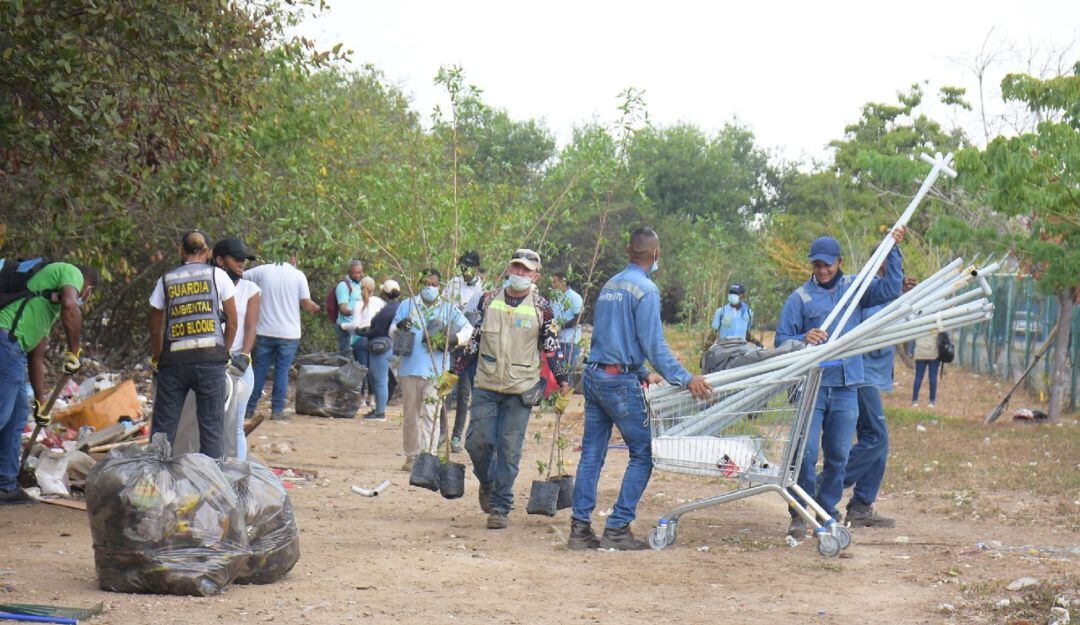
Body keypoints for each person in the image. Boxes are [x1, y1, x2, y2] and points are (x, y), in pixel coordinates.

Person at [569, 228, 712, 550]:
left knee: (592, 454)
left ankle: (579, 529)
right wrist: (686, 378)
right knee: (644, 453)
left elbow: (611, 337)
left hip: (593, 376)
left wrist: (644, 373)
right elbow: (654, 345)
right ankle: (618, 527)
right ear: (656, 254)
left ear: (628, 250)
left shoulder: (610, 285)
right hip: (618, 384)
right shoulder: (645, 290)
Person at [775, 230, 905, 538]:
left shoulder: (855, 289)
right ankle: (800, 513)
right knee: (806, 454)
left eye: (827, 265)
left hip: (847, 386)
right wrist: (803, 338)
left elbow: (891, 289)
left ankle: (826, 512)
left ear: (839, 262)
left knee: (838, 456)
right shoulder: (800, 298)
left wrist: (892, 250)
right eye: (817, 265)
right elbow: (781, 341)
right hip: (812, 388)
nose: (822, 270)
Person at [451, 249, 571, 530]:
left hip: (521, 388)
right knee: (476, 443)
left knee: (509, 449)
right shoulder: (488, 299)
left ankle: (500, 506)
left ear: (535, 276)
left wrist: (563, 381)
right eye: (516, 268)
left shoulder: (542, 307)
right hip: (487, 383)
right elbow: (475, 339)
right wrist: (454, 372)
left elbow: (552, 347)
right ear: (509, 269)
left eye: (526, 270)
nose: (520, 273)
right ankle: (489, 482)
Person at [0, 259, 96, 504]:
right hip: (4, 341)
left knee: (17, 417)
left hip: (14, 350)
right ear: (88, 289)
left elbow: (37, 356)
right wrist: (74, 351)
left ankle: (5, 485)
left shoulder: (44, 310)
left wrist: (40, 403)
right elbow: (70, 305)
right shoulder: (70, 271)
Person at [149, 231, 238, 459]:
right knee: (211, 428)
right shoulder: (218, 276)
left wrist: (158, 358)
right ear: (208, 252)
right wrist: (225, 352)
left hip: (174, 364)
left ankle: (154, 475)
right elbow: (232, 322)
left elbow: (155, 327)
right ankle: (210, 477)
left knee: (163, 430)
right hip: (210, 361)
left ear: (181, 250)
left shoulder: (166, 279)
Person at [842, 272, 915, 529]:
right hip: (859, 373)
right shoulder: (866, 291)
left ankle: (861, 506)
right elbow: (873, 331)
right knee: (877, 437)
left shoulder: (888, 295)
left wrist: (904, 298)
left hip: (871, 376)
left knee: (878, 441)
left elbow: (903, 330)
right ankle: (825, 486)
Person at [391, 269, 471, 471]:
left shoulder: (447, 307)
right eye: (426, 284)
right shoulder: (408, 305)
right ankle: (412, 456)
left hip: (437, 371)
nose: (430, 287)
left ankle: (428, 457)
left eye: (434, 284)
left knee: (432, 414)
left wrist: (455, 339)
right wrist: (399, 326)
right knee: (411, 415)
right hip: (410, 369)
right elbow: (391, 330)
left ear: (440, 286)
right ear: (419, 284)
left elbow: (468, 329)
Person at [243, 251, 321, 421]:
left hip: (264, 331)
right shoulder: (298, 275)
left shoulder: (261, 271)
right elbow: (306, 303)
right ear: (293, 258)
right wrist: (317, 308)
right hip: (289, 333)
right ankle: (277, 410)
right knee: (282, 371)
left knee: (259, 370)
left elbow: (240, 275)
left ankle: (249, 408)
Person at [214, 238, 260, 459]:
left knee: (235, 425)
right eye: (237, 259)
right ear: (220, 260)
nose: (242, 263)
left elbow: (251, 326)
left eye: (244, 260)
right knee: (211, 422)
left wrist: (244, 355)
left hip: (238, 363)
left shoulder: (250, 289)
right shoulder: (210, 286)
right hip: (212, 358)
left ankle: (237, 472)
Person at [444, 252, 483, 452]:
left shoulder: (482, 289)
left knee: (464, 393)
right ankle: (441, 434)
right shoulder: (453, 284)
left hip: (469, 347)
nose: (465, 271)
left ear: (476, 268)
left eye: (468, 268)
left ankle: (457, 436)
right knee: (445, 388)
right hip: (451, 343)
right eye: (462, 268)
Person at [359, 279, 401, 421]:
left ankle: (380, 412)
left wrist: (362, 333)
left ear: (384, 293)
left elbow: (377, 330)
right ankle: (379, 409)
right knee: (382, 380)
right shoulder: (399, 307)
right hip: (392, 346)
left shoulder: (387, 310)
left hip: (381, 347)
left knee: (380, 380)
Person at [346, 276, 385, 403]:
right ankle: (371, 397)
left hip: (360, 338)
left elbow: (355, 325)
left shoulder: (358, 304)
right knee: (372, 370)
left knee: (361, 369)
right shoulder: (379, 302)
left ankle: (361, 397)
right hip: (375, 339)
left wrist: (343, 326)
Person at [550, 271, 584, 369]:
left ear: (563, 282)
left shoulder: (574, 297)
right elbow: (552, 316)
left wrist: (561, 326)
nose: (552, 285)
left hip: (569, 341)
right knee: (556, 370)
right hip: (556, 341)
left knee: (566, 370)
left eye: (555, 282)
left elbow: (579, 318)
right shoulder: (554, 297)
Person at [332, 260, 364, 353]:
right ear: (348, 272)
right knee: (346, 355)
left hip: (358, 326)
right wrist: (357, 311)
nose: (358, 275)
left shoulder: (361, 284)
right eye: (355, 273)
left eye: (360, 272)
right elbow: (343, 309)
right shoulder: (343, 286)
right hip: (345, 327)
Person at [911, 332, 940, 407]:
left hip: (920, 352)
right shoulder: (937, 325)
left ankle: (914, 400)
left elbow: (913, 338)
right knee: (933, 376)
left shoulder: (918, 325)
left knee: (918, 377)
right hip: (933, 352)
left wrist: (910, 351)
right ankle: (932, 401)